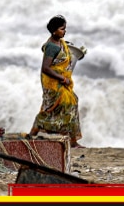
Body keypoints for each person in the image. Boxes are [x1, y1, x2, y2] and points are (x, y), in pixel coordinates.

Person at [29, 15, 84, 148]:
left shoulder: (61, 43)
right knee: (60, 106)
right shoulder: (51, 47)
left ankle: (71, 140)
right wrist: (62, 78)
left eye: (65, 29)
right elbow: (45, 68)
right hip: (52, 82)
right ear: (54, 31)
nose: (65, 31)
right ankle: (37, 129)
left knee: (72, 101)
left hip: (60, 81)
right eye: (62, 29)